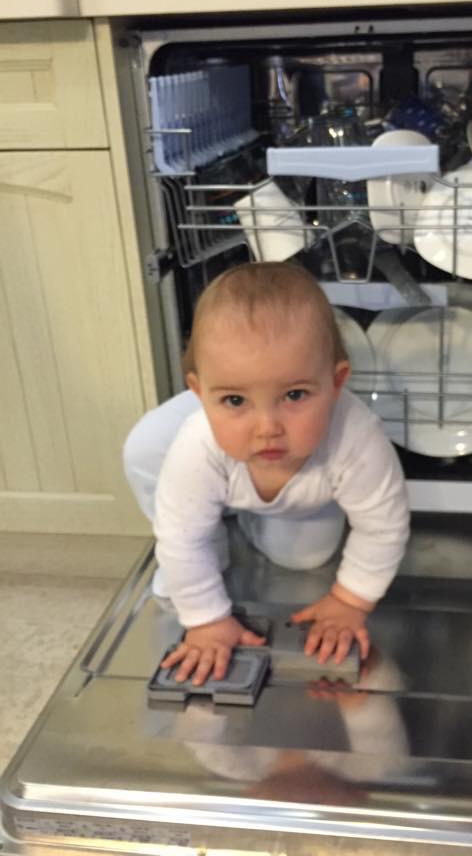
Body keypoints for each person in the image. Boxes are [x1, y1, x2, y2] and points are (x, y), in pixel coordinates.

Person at [123, 261, 410, 687]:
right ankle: (214, 521)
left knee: (306, 559)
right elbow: (180, 538)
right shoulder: (197, 442)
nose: (267, 428)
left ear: (337, 383)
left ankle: (247, 515)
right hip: (210, 470)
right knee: (148, 454)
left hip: (303, 493)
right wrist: (206, 620)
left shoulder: (356, 438)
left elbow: (383, 526)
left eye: (294, 394)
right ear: (199, 394)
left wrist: (350, 601)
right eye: (235, 399)